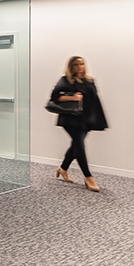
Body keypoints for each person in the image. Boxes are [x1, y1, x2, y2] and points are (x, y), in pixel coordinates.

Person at [51, 56, 108, 192]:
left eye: (81, 64)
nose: (80, 66)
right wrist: (72, 97)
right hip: (70, 119)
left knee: (76, 145)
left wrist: (96, 119)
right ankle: (88, 177)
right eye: (76, 64)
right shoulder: (65, 80)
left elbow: (94, 101)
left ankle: (63, 168)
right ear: (71, 66)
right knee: (80, 145)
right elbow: (54, 97)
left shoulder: (90, 81)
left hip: (85, 119)